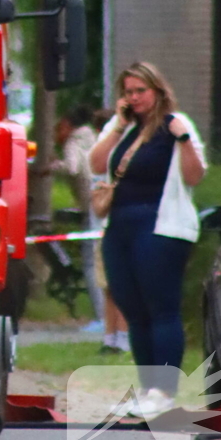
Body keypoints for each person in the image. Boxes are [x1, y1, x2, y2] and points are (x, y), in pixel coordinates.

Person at [88, 62, 206, 417]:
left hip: (160, 227)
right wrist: (119, 126)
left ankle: (164, 391)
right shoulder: (120, 127)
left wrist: (183, 138)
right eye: (129, 92)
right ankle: (147, 389)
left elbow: (194, 175)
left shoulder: (175, 125)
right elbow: (95, 164)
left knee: (160, 307)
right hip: (120, 225)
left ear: (157, 90)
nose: (135, 98)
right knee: (132, 308)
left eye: (141, 91)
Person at [47, 106, 105, 333]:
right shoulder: (94, 137)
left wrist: (53, 166)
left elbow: (72, 168)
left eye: (59, 128)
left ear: (68, 126)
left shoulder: (72, 142)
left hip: (92, 204)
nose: (57, 134)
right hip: (104, 200)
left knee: (91, 263)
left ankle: (101, 318)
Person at [90, 109, 130, 355]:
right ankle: (110, 338)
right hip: (105, 227)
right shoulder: (107, 142)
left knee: (122, 286)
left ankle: (124, 338)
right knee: (108, 286)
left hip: (124, 225)